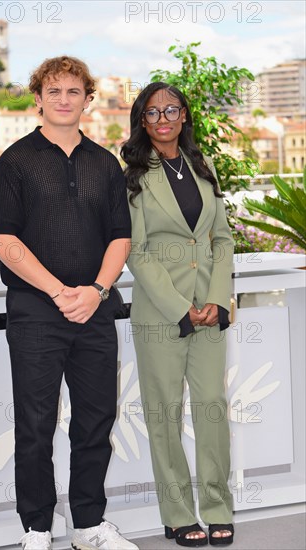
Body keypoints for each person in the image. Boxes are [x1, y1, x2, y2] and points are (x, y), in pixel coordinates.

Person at [0, 56, 137, 550]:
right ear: (38, 100)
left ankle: (89, 526)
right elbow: (2, 240)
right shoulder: (15, 161)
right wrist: (57, 291)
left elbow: (121, 238)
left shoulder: (104, 164)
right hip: (35, 311)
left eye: (74, 92)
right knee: (35, 423)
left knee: (96, 420)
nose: (64, 100)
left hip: (94, 309)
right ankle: (36, 529)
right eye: (55, 92)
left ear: (88, 100)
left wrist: (94, 292)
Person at [121, 82, 235, 547]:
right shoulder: (131, 177)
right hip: (161, 316)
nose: (163, 118)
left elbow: (222, 240)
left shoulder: (202, 168)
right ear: (142, 121)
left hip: (210, 312)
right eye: (152, 112)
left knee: (212, 411)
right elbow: (137, 251)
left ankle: (217, 507)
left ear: (184, 115)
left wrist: (216, 299)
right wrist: (180, 307)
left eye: (171, 110)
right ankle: (177, 513)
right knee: (164, 416)